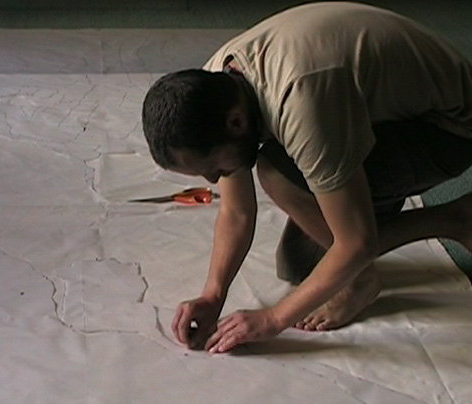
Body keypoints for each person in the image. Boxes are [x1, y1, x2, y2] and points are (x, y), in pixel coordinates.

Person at [141, 1, 472, 354]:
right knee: (302, 263)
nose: (211, 179)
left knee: (277, 174)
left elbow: (357, 244)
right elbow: (237, 212)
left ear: (235, 122)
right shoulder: (214, 85)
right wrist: (213, 294)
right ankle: (447, 219)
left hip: (449, 128)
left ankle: (448, 225)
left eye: (211, 167)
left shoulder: (301, 99)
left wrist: (273, 319)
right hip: (383, 112)